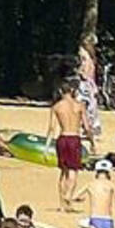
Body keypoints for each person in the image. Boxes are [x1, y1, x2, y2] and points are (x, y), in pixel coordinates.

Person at [49, 81, 85, 211]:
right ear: (72, 91)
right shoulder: (79, 106)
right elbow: (86, 126)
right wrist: (92, 141)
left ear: (60, 92)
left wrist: (47, 146)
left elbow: (52, 128)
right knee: (73, 171)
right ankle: (68, 195)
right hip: (74, 137)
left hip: (63, 138)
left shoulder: (57, 106)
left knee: (63, 171)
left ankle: (62, 205)